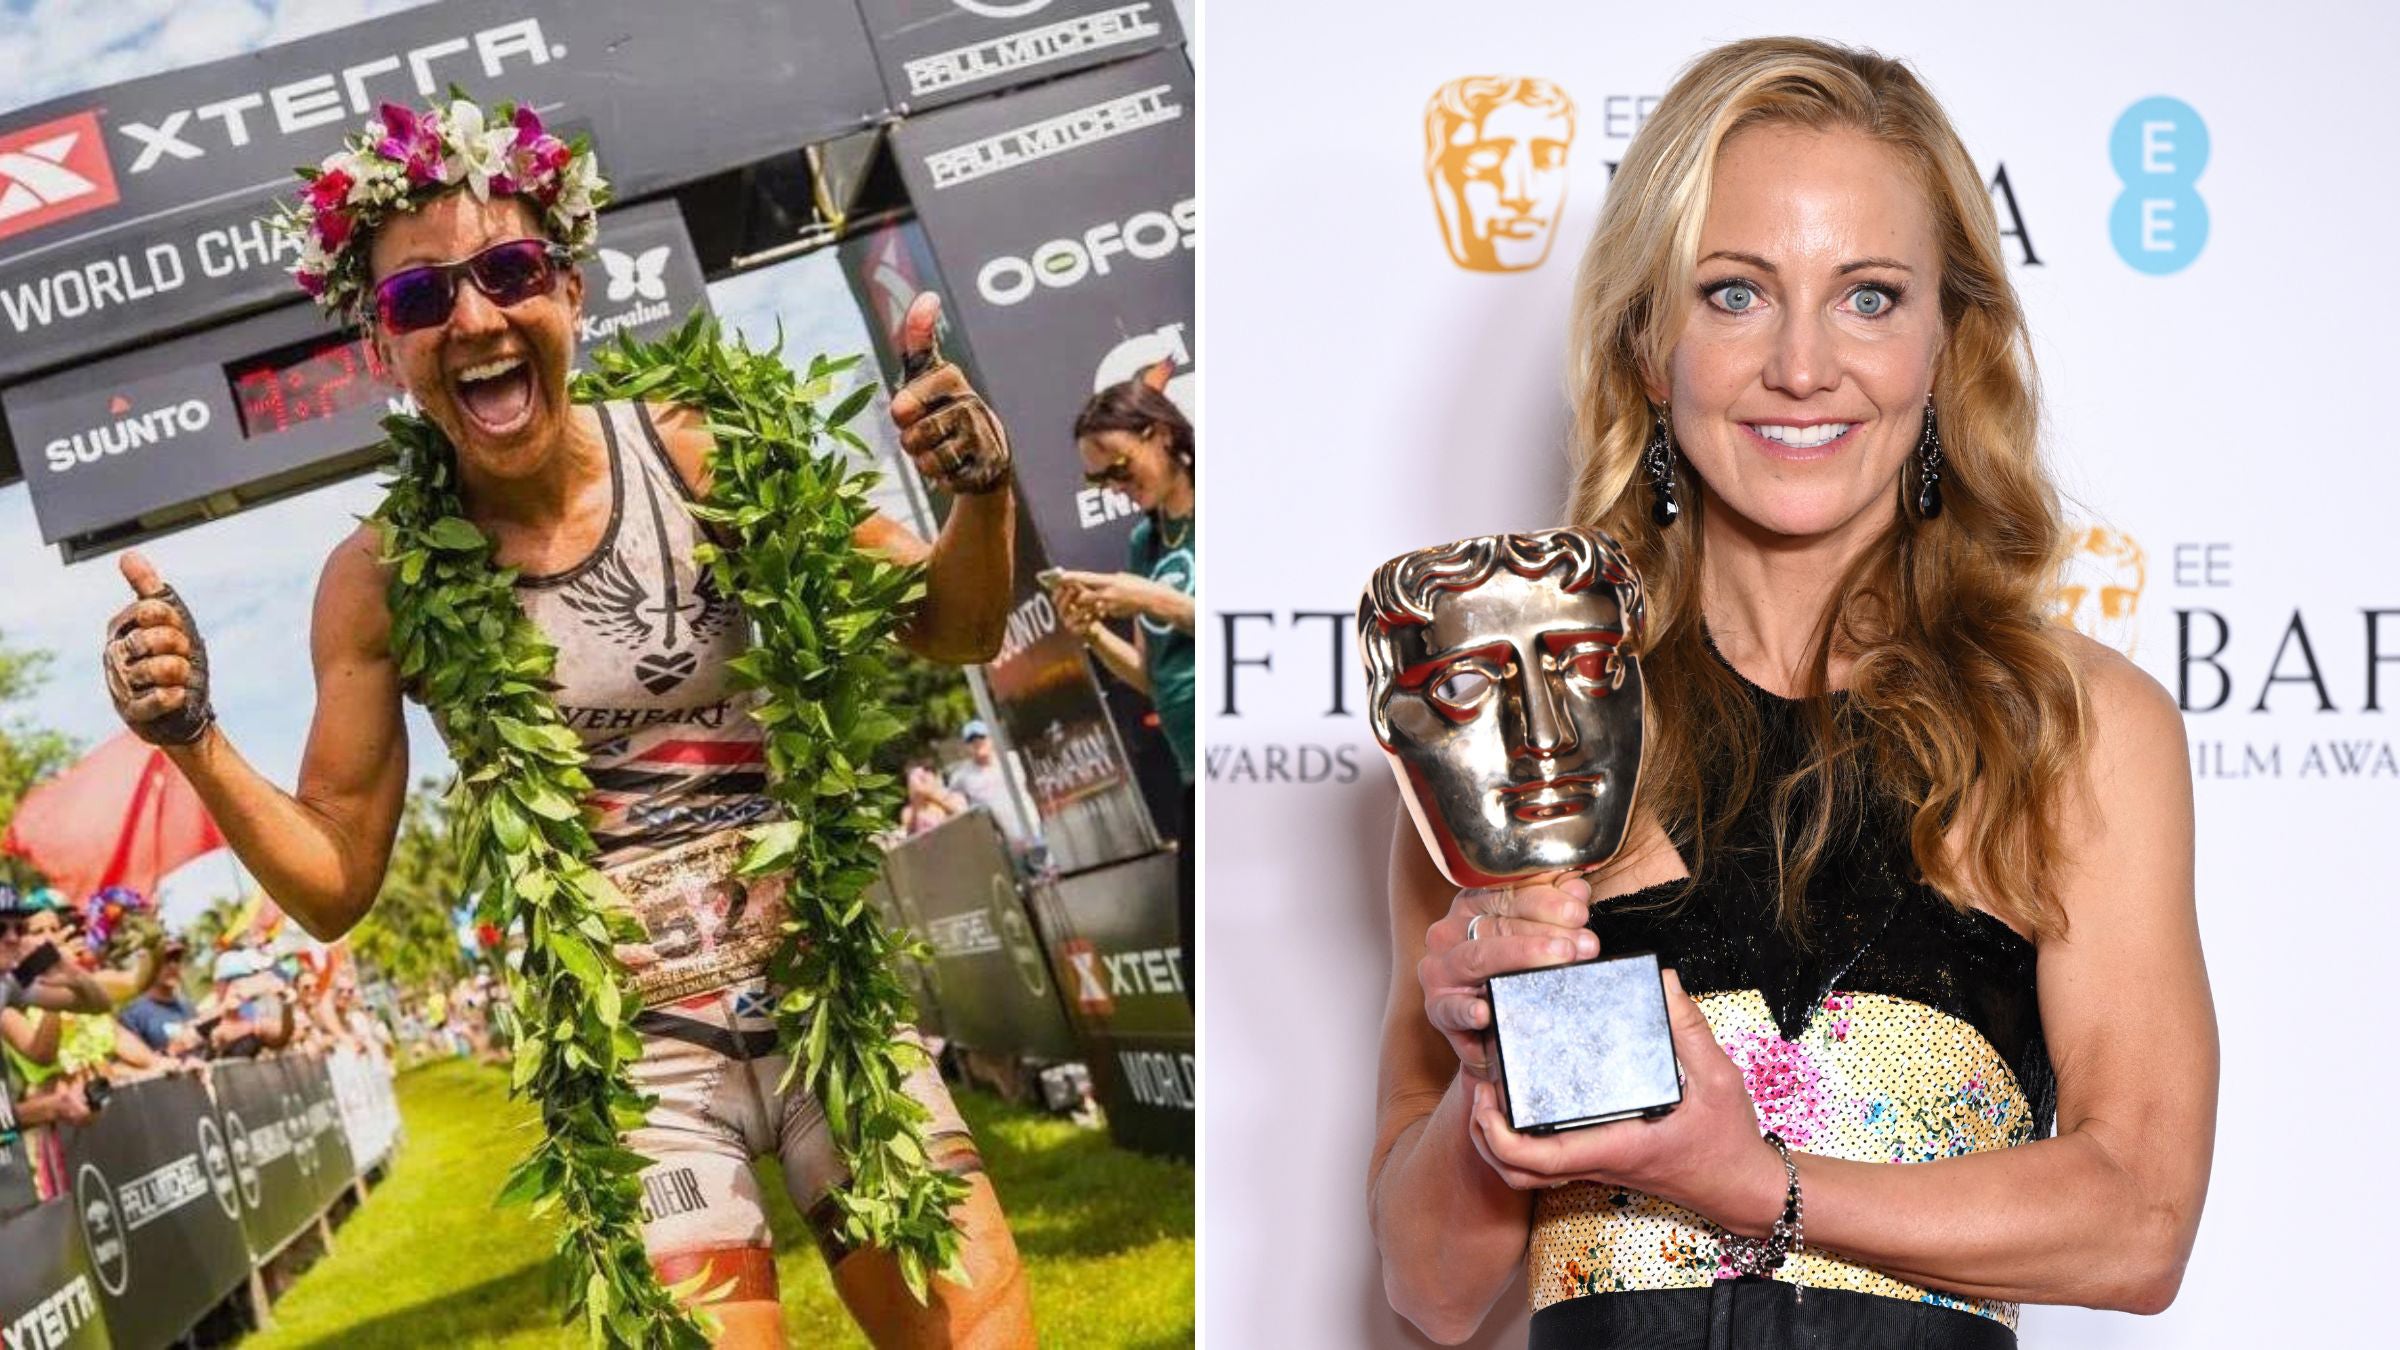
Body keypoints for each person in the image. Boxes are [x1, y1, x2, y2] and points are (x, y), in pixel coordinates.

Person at [97, 93, 1029, 1346]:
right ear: (386, 347)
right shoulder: (381, 581)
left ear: (573, 292)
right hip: (641, 1074)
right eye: (422, 299)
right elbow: (330, 885)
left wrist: (982, 493)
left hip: (831, 1015)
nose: (474, 317)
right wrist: (197, 735)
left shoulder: (710, 454)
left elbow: (955, 627)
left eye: (508, 271)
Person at [1369, 38, 2213, 1349]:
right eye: (1735, 293)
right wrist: (1490, 1066)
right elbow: (1433, 1287)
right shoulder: (1524, 733)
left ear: (1947, 341)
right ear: (1649, 345)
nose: (1806, 367)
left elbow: (2140, 1221)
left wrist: (1751, 1181)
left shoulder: (2077, 728)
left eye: (1869, 297)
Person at [1054, 365, 1197, 999]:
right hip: (1195, 772)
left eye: (1117, 463)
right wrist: (1090, 632)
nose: (1113, 485)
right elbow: (1148, 674)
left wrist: (1157, 601)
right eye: (1098, 477)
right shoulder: (1146, 541)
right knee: (1204, 978)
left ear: (1160, 434)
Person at [943, 721, 1037, 859]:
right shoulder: (961, 776)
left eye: (982, 738)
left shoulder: (1010, 759)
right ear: (966, 747)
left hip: (1030, 828)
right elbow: (949, 799)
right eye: (971, 741)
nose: (977, 743)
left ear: (991, 739)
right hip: (998, 841)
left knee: (1046, 873)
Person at [118, 940, 201, 1056]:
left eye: (176, 960)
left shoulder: (189, 1008)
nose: (173, 966)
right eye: (165, 961)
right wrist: (168, 1053)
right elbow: (134, 1063)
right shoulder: (133, 1015)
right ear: (150, 966)